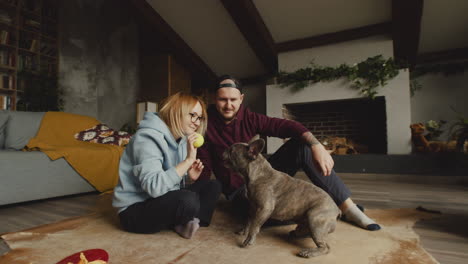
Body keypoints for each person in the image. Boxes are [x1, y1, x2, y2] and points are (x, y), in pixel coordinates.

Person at [197, 75, 380, 231]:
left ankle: (348, 208)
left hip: (266, 179)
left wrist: (317, 145)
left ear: (241, 99)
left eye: (233, 99)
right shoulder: (205, 124)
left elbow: (289, 126)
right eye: (223, 99)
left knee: (302, 145)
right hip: (241, 192)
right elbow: (204, 170)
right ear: (214, 98)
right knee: (269, 213)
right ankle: (311, 215)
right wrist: (199, 210)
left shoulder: (250, 118)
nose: (228, 105)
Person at [112, 92, 222, 239]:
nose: (197, 122)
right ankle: (182, 220)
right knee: (188, 200)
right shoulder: (146, 138)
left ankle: (187, 221)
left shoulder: (182, 139)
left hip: (160, 199)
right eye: (193, 115)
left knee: (213, 186)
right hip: (135, 211)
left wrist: (188, 179)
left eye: (200, 118)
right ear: (177, 112)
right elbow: (154, 188)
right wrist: (188, 161)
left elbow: (174, 186)